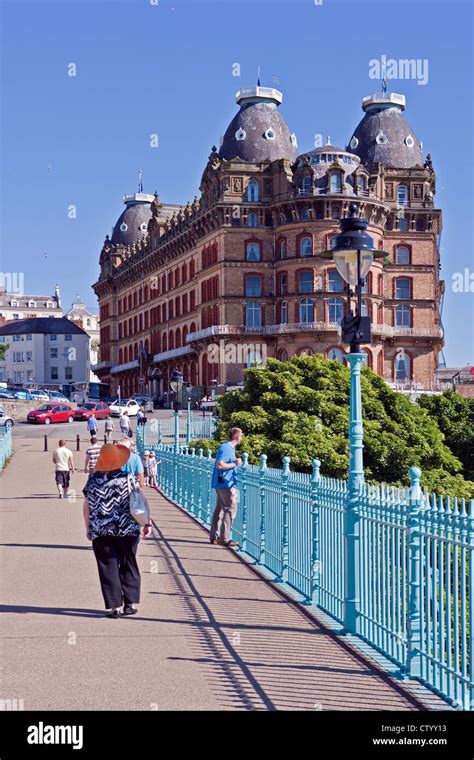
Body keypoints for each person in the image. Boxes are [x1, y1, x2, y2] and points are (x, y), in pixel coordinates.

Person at [82, 443, 152, 618]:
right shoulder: (128, 478)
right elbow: (141, 501)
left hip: (101, 530)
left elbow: (87, 507)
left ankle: (115, 607)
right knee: (128, 562)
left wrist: (88, 527)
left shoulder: (92, 480)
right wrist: (147, 523)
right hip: (127, 530)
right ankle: (130, 604)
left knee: (108, 566)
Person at [209, 427, 243, 547]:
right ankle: (225, 538)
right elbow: (220, 465)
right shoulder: (227, 448)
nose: (242, 437)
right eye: (241, 435)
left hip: (222, 483)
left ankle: (214, 536)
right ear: (237, 436)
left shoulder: (226, 447)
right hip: (226, 484)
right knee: (231, 509)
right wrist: (236, 464)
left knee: (219, 508)